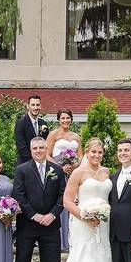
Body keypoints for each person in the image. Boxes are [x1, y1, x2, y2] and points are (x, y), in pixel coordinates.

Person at [10, 137, 65, 262]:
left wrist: (52, 215)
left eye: (42, 147)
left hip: (51, 225)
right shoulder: (22, 170)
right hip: (27, 224)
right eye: (35, 148)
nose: (39, 151)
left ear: (46, 148)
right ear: (31, 149)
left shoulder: (57, 170)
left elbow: (63, 195)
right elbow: (19, 195)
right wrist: (34, 215)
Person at [47, 108, 81, 252]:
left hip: (72, 172)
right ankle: (59, 239)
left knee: (73, 200)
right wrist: (60, 168)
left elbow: (80, 155)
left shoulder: (76, 136)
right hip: (56, 170)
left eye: (68, 118)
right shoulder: (53, 134)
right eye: (63, 118)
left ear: (71, 120)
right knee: (59, 198)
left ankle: (72, 239)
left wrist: (73, 166)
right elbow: (47, 155)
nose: (65, 121)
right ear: (58, 120)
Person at [14, 94, 49, 166]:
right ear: (28, 106)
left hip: (41, 164)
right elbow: (21, 147)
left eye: (37, 105)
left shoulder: (43, 123)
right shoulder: (21, 123)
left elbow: (46, 143)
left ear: (40, 106)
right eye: (33, 105)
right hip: (25, 164)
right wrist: (35, 163)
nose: (35, 108)